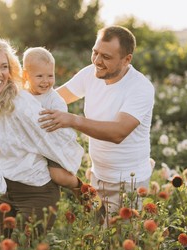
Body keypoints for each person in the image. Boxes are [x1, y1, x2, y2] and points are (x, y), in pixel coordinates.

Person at [0, 38, 84, 235]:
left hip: (36, 191)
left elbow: (56, 139)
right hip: (3, 189)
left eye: (4, 66)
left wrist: (70, 180)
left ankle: (86, 192)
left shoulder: (20, 104)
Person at [39, 25, 155, 217]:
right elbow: (54, 100)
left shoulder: (140, 87)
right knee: (97, 238)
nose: (97, 61)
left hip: (129, 183)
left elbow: (118, 132)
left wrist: (73, 120)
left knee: (122, 243)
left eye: (106, 57)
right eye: (95, 52)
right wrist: (18, 100)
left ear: (127, 60)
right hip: (98, 176)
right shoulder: (90, 74)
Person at [22, 47, 83, 193]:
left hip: (52, 144)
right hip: (31, 142)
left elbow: (57, 128)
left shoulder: (55, 100)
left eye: (50, 75)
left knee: (59, 177)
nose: (46, 81)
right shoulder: (22, 94)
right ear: (25, 75)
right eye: (39, 76)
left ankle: (82, 189)